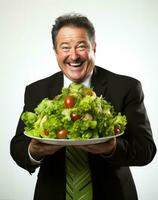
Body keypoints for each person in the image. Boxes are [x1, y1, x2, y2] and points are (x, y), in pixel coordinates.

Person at [10, 13, 156, 200]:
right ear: (56, 51)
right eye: (65, 47)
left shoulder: (126, 87)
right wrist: (33, 152)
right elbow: (18, 146)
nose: (74, 55)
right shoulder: (37, 90)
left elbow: (146, 149)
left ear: (93, 47)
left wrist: (112, 149)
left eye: (81, 46)